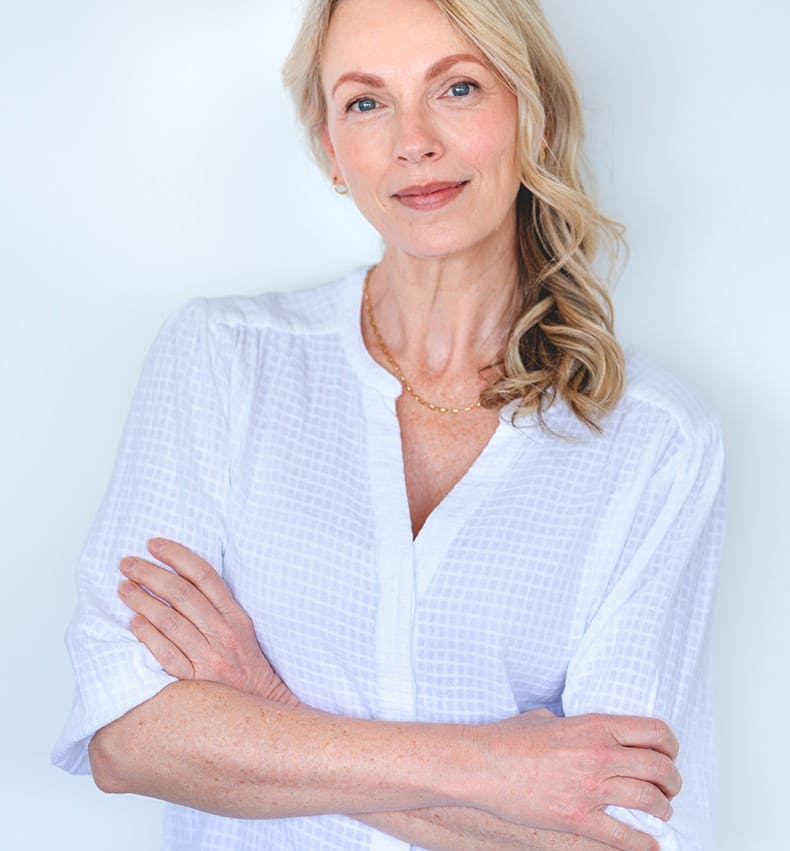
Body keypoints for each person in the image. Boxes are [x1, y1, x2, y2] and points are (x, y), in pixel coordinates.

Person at [53, 0, 725, 849]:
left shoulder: (656, 443)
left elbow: (619, 834)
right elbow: (128, 734)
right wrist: (493, 768)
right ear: (332, 146)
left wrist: (266, 712)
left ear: (537, 119)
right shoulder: (222, 361)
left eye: (458, 88)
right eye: (366, 102)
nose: (415, 141)